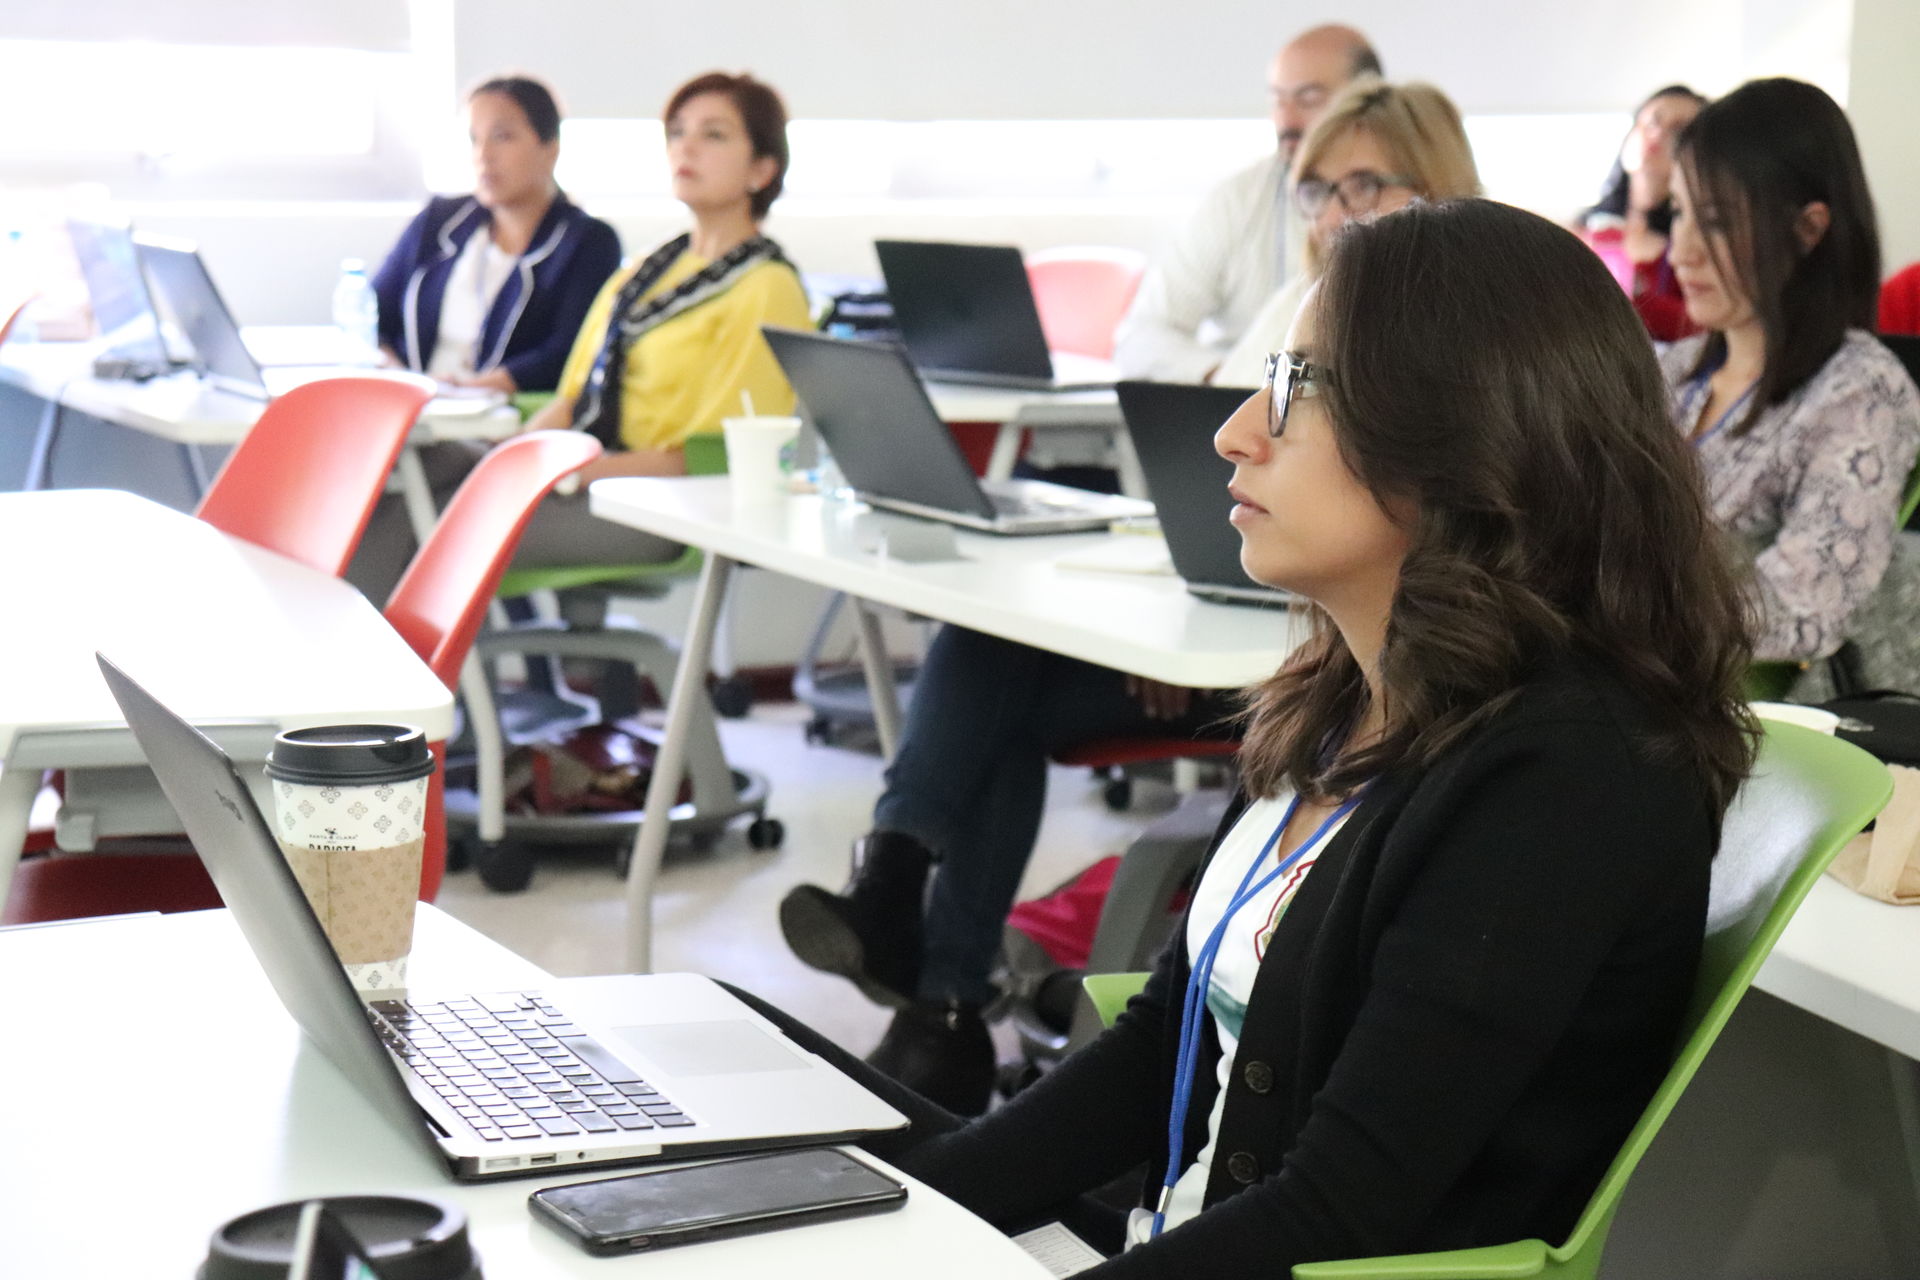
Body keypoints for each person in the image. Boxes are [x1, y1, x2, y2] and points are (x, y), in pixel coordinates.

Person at [756, 198, 1756, 1275]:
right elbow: (1157, 1050)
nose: (1235, 429)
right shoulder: (1342, 693)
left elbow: (1335, 1211)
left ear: (1457, 429)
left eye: (1293, 386)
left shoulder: (1568, 776)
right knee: (744, 1108)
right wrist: (891, 1215)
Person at [1662, 77, 1920, 666]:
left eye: (1717, 222)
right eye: (1677, 213)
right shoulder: (1671, 376)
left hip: (1770, 719)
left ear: (1807, 230)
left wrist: (1613, 621)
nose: (1683, 251)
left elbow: (1804, 605)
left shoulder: (1861, 392)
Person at [1113, 24, 1380, 381]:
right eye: (1277, 100)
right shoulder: (1238, 200)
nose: (1287, 120)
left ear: (1372, 100)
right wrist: (1226, 379)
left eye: (1309, 99)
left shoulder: (1410, 199)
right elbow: (1141, 337)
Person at [1213, 79, 1479, 386]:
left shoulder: (1472, 335)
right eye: (1316, 190)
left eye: (1364, 186)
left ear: (1437, 190)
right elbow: (1222, 411)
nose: (1330, 217)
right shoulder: (1301, 301)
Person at [372, 76, 620, 393]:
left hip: (505, 418)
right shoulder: (438, 221)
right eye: (475, 139)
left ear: (550, 149)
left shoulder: (588, 242)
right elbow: (371, 316)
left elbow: (569, 353)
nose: (484, 155)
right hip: (415, 405)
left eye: (502, 137)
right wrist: (402, 381)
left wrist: (467, 392)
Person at [1578, 85, 1708, 344]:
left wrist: (1637, 297)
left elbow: (1706, 327)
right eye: (1652, 121)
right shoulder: (1579, 232)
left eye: (1678, 130)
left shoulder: (1697, 250)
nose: (1657, 134)